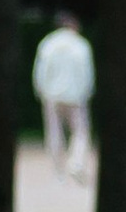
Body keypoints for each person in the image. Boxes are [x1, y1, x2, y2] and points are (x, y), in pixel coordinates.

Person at [31, 12, 93, 182]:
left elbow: (41, 71)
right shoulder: (80, 44)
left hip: (51, 94)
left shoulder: (48, 43)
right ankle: (76, 163)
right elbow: (87, 72)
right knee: (80, 132)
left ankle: (58, 171)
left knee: (54, 132)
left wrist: (40, 90)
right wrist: (87, 92)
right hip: (75, 95)